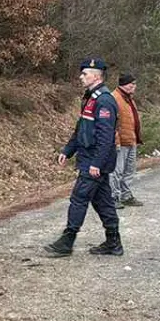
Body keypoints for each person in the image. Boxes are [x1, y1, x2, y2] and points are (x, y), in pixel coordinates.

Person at [43, 58, 124, 258]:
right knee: (103, 201)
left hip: (94, 160)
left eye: (85, 74)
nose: (81, 77)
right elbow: (82, 128)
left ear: (96, 76)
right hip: (90, 158)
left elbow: (106, 138)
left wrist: (97, 163)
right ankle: (114, 242)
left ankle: (67, 240)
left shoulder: (104, 100)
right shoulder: (90, 97)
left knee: (79, 198)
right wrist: (68, 150)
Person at [111, 73, 143, 207]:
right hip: (121, 142)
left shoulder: (129, 99)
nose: (134, 86)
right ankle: (113, 197)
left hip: (131, 140)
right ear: (125, 84)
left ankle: (126, 195)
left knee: (129, 171)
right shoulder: (114, 98)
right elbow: (112, 123)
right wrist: (116, 141)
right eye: (132, 84)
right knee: (117, 171)